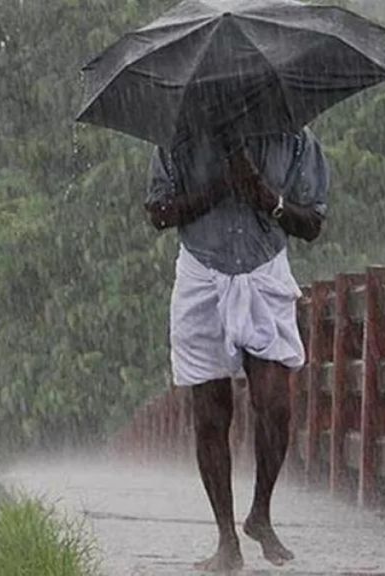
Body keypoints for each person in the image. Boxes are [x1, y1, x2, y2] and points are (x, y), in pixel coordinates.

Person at [146, 129, 329, 571]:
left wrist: (267, 198)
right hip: (200, 273)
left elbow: (313, 225)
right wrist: (218, 187)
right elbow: (158, 212)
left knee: (274, 401)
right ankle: (226, 537)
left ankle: (260, 512)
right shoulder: (178, 138)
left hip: (264, 270)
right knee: (210, 413)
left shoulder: (296, 139)